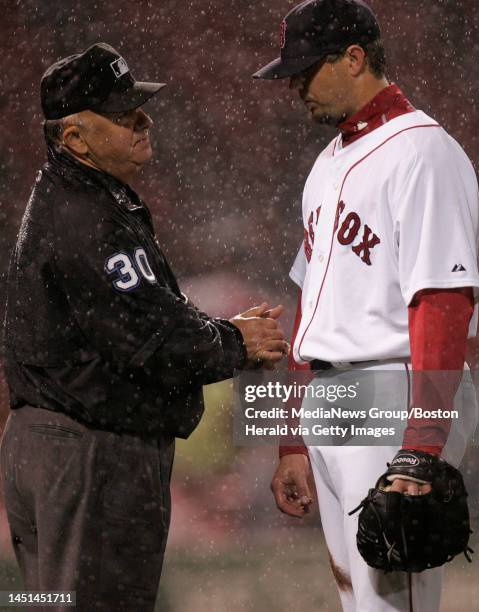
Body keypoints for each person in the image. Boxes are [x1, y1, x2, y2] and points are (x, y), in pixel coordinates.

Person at [0, 43, 288, 612]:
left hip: (65, 446)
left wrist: (224, 330)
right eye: (121, 111)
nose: (143, 118)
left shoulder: (83, 196)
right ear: (75, 138)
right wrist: (236, 342)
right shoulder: (84, 218)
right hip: (87, 453)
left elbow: (149, 314)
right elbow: (148, 339)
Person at [253, 1, 479, 610]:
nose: (296, 86)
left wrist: (422, 446)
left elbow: (443, 300)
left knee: (390, 599)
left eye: (306, 70)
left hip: (393, 389)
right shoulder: (327, 164)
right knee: (358, 594)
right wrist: (292, 439)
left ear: (355, 57)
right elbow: (312, 309)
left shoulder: (423, 152)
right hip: (335, 395)